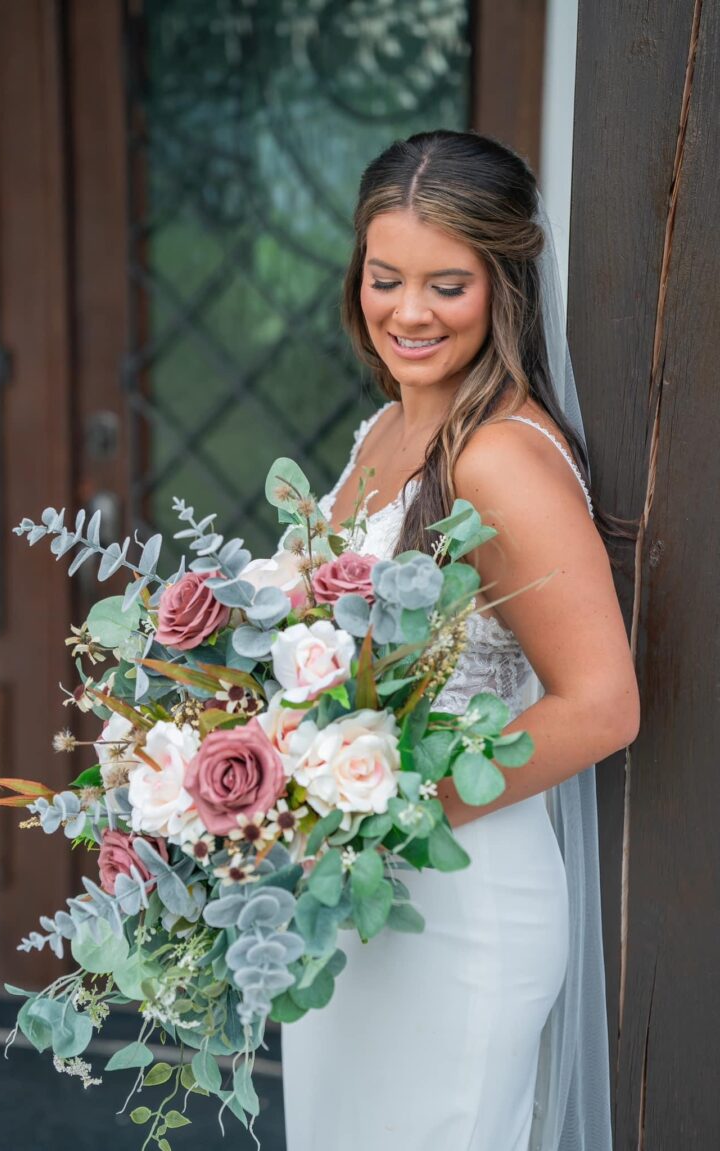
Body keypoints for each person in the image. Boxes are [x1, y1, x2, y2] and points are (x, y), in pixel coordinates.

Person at [280, 129, 640, 1151]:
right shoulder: (383, 431)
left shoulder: (499, 459)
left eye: (448, 285)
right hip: (356, 895)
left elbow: (603, 703)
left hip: (459, 898)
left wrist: (392, 809)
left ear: (505, 285)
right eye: (386, 278)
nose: (408, 312)